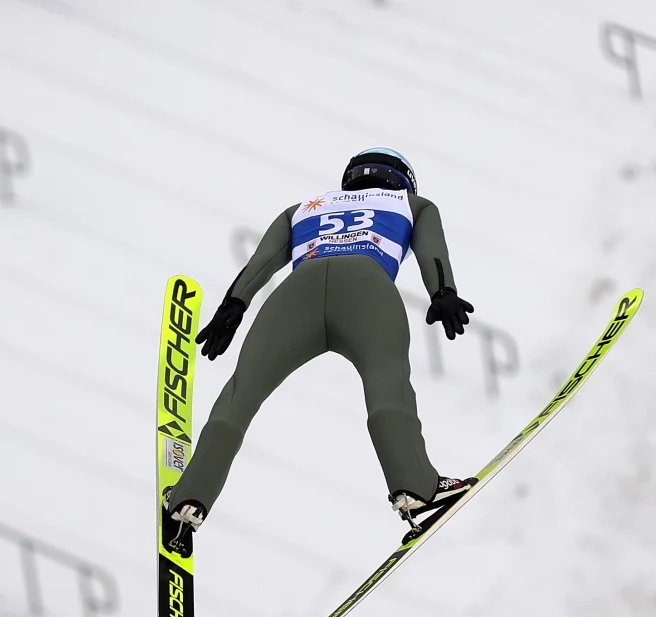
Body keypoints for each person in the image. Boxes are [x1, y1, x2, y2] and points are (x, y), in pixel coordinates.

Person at [161, 148, 477, 557]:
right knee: (388, 388)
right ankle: (416, 487)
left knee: (241, 395)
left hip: (297, 292)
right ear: (403, 180)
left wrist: (233, 306)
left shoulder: (301, 210)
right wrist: (444, 292)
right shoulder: (413, 204)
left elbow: (261, 261)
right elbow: (432, 249)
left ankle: (190, 499)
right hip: (368, 285)